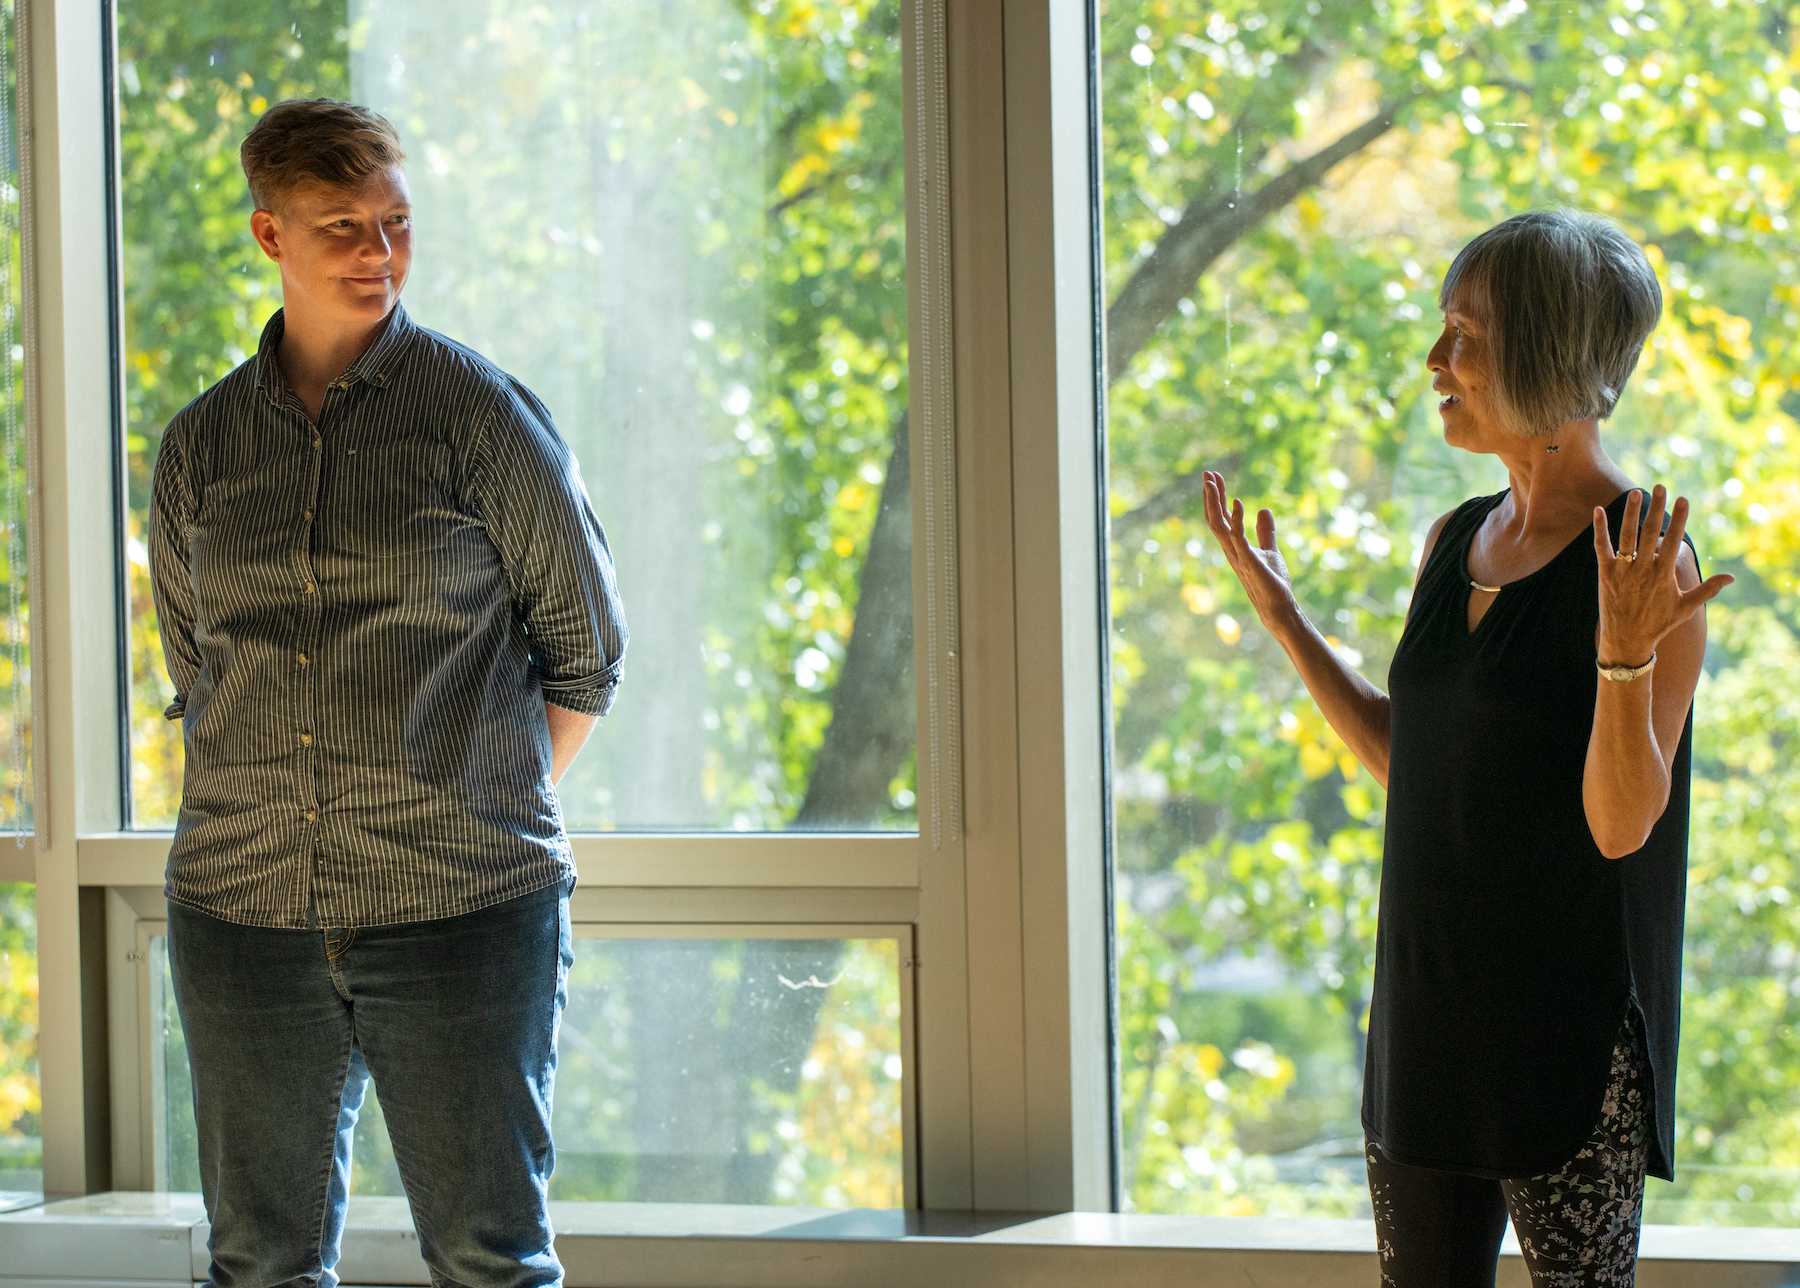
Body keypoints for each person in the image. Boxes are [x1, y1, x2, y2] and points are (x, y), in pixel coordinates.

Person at [146, 98, 628, 1287]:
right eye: (342, 227)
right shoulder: (201, 447)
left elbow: (586, 648)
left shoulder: (478, 416)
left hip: (465, 910)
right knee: (257, 1262)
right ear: (270, 236)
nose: (377, 252)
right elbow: (199, 665)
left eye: (396, 223)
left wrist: (462, 800)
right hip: (242, 914)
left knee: (489, 1259)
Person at [1202, 209, 1732, 1287]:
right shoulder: (1452, 539)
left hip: (1565, 1043)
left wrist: (1623, 658)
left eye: (1464, 333)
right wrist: (1286, 622)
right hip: (1425, 1020)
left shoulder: (1645, 563)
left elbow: (1622, 821)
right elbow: (1422, 765)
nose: (1437, 361)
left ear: (1543, 351)